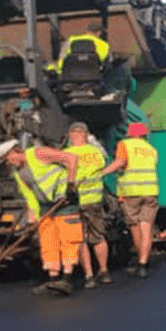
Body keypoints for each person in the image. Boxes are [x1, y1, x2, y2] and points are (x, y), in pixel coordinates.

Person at [0, 139, 81, 296]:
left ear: (14, 152)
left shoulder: (38, 153)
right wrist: (31, 221)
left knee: (68, 240)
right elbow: (30, 199)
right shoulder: (18, 174)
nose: (8, 162)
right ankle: (54, 279)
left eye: (7, 158)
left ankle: (67, 279)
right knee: (48, 242)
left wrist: (70, 185)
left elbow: (72, 158)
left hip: (64, 200)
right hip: (45, 207)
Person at [100, 121, 159, 278]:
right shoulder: (151, 149)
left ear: (130, 134)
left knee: (134, 227)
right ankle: (144, 264)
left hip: (131, 192)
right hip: (150, 192)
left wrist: (102, 172)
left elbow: (120, 162)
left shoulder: (125, 144)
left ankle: (140, 261)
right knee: (146, 228)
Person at [64, 122, 112, 288]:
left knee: (80, 240)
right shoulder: (96, 152)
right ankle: (104, 271)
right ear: (86, 135)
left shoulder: (66, 153)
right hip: (94, 200)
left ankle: (89, 275)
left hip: (75, 202)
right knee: (99, 237)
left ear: (71, 135)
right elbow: (103, 166)